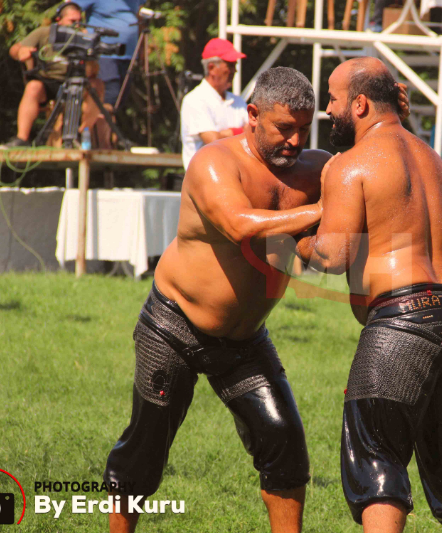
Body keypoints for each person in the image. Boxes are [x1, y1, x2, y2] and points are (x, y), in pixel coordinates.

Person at [103, 67, 330, 533]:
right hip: (174, 326)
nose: (294, 140)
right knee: (145, 452)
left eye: (303, 129)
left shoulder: (316, 168)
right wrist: (322, 210)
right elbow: (240, 225)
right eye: (283, 128)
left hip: (245, 341)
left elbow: (371, 171)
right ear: (252, 114)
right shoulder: (213, 162)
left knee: (284, 440)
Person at [297, 57, 442, 533]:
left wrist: (292, 236)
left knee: (377, 461)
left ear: (359, 104)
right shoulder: (433, 159)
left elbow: (333, 256)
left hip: (401, 322)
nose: (328, 111)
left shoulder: (351, 164)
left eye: (334, 100)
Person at [0, 2, 104, 149]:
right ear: (59, 20)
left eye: (79, 22)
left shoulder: (84, 38)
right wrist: (21, 52)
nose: (76, 26)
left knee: (97, 85)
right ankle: (22, 138)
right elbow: (15, 49)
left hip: (75, 82)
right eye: (72, 21)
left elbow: (92, 72)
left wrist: (89, 52)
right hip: (49, 82)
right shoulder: (45, 33)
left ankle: (81, 134)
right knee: (33, 87)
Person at [180, 38, 249, 170]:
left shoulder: (238, 101)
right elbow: (213, 142)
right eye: (230, 65)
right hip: (203, 181)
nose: (235, 71)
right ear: (211, 68)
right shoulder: (195, 100)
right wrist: (240, 132)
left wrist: (225, 134)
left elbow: (256, 135)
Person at [72, 0, 145, 107]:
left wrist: (142, 48)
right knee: (110, 93)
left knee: (121, 98)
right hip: (103, 54)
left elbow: (139, 17)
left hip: (128, 54)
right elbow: (69, 10)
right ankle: (89, 123)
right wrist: (82, 34)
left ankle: (103, 122)